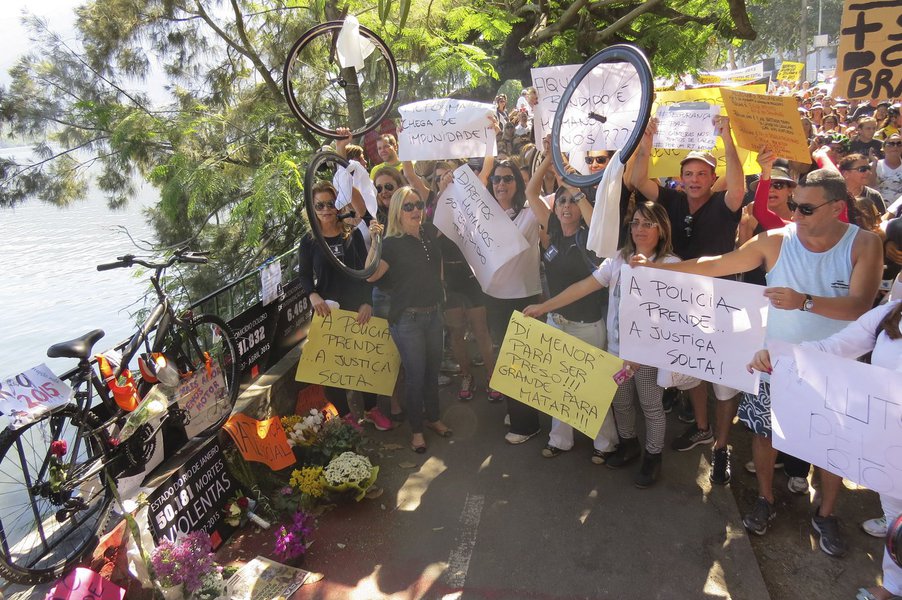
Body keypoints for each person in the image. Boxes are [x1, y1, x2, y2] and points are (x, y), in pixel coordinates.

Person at [631, 168, 883, 556]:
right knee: (765, 435)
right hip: (775, 363)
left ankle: (827, 514)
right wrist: (657, 269)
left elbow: (861, 308)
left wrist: (805, 301)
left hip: (837, 370)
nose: (794, 214)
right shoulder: (776, 241)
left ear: (836, 208)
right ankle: (764, 499)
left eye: (805, 208)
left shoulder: (864, 244)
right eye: (794, 205)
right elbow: (715, 264)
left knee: (831, 447)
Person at [747, 299, 901, 598]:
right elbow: (836, 345)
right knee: (896, 519)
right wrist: (780, 356)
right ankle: (894, 586)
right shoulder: (891, 311)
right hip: (892, 452)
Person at [525, 201, 678, 487]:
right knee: (620, 403)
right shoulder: (619, 259)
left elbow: (674, 319)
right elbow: (582, 287)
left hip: (647, 357)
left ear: (662, 229)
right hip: (616, 352)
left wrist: (645, 353)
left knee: (651, 406)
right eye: (635, 223)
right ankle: (630, 445)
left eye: (648, 224)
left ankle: (653, 458)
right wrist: (544, 306)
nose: (639, 229)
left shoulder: (671, 265)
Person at [630, 116, 745, 485]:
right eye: (689, 174)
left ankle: (721, 447)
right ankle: (702, 427)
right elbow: (638, 180)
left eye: (702, 174)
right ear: (681, 178)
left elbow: (740, 188)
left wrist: (727, 139)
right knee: (692, 369)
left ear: (713, 178)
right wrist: (646, 140)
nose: (694, 180)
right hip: (681, 302)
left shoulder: (726, 204)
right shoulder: (672, 200)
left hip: (720, 302)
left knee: (723, 382)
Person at [521, 142, 619, 463]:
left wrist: (572, 186)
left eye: (572, 202)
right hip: (557, 322)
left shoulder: (593, 238)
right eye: (560, 201)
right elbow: (531, 191)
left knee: (592, 388)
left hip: (588, 326)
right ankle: (559, 439)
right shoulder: (551, 229)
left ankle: (604, 444)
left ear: (581, 206)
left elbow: (594, 222)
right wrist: (551, 157)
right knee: (557, 385)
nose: (565, 206)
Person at [298, 181, 392, 431]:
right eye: (320, 205)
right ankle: (347, 415)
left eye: (330, 203)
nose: (326, 209)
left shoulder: (350, 233)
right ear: (312, 208)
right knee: (333, 367)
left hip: (356, 307)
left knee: (363, 360)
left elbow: (365, 270)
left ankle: (372, 409)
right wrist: (313, 296)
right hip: (327, 310)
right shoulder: (309, 241)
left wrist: (366, 302)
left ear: (337, 205)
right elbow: (304, 275)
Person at [404, 157, 499, 403]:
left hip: (472, 275)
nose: (444, 180)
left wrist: (491, 135)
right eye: (438, 178)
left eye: (449, 175)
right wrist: (404, 143)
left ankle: (491, 376)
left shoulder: (469, 198)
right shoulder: (429, 203)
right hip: (448, 278)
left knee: (481, 331)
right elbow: (410, 175)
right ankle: (466, 375)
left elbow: (487, 171)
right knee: (456, 333)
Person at [367, 187, 452, 453]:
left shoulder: (428, 235)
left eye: (418, 205)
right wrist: (375, 242)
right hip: (408, 320)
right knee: (415, 377)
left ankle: (434, 418)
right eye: (408, 207)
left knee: (431, 373)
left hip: (433, 314)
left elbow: (437, 270)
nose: (415, 210)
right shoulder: (391, 244)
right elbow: (371, 276)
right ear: (397, 212)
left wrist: (440, 296)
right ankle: (416, 431)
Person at [482, 159, 543, 444]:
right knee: (506, 359)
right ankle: (516, 409)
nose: (501, 184)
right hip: (495, 299)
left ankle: (527, 424)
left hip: (523, 298)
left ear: (518, 183)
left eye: (507, 179)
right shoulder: (487, 214)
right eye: (496, 179)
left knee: (522, 363)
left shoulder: (530, 213)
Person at [840, 153, 886, 232]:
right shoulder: (836, 196)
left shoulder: (874, 195)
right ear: (846, 173)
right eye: (862, 169)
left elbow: (881, 223)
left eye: (868, 168)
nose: (868, 172)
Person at [874, 133, 902, 208]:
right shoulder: (875, 165)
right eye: (891, 144)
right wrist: (873, 164)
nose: (895, 146)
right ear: (883, 147)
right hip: (880, 207)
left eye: (899, 144)